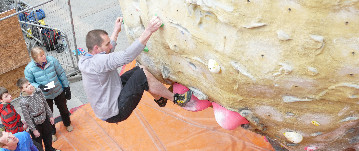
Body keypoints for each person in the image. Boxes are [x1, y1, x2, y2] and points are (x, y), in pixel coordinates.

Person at [78, 16, 193, 123]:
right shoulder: (97, 62)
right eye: (108, 44)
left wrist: (116, 31)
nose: (111, 46)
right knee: (142, 75)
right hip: (114, 111)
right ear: (96, 48)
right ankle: (176, 99)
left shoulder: (89, 58)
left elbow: (108, 51)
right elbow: (126, 56)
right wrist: (149, 30)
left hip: (110, 96)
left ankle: (160, 99)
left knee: (141, 68)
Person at [24, 46, 73, 142]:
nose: (44, 56)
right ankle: (52, 132)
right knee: (48, 115)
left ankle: (67, 123)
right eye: (41, 56)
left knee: (63, 108)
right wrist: (39, 86)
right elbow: (29, 82)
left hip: (58, 91)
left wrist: (66, 87)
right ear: (35, 58)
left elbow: (61, 73)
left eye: (44, 54)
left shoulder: (52, 61)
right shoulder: (29, 69)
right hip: (44, 96)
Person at [16, 78, 60, 151]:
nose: (29, 86)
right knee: (38, 141)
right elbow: (27, 117)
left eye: (29, 84)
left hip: (44, 118)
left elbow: (45, 104)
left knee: (48, 136)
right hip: (35, 123)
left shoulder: (38, 91)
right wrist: (33, 130)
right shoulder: (23, 101)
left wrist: (50, 116)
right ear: (22, 90)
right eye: (26, 86)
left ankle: (50, 149)